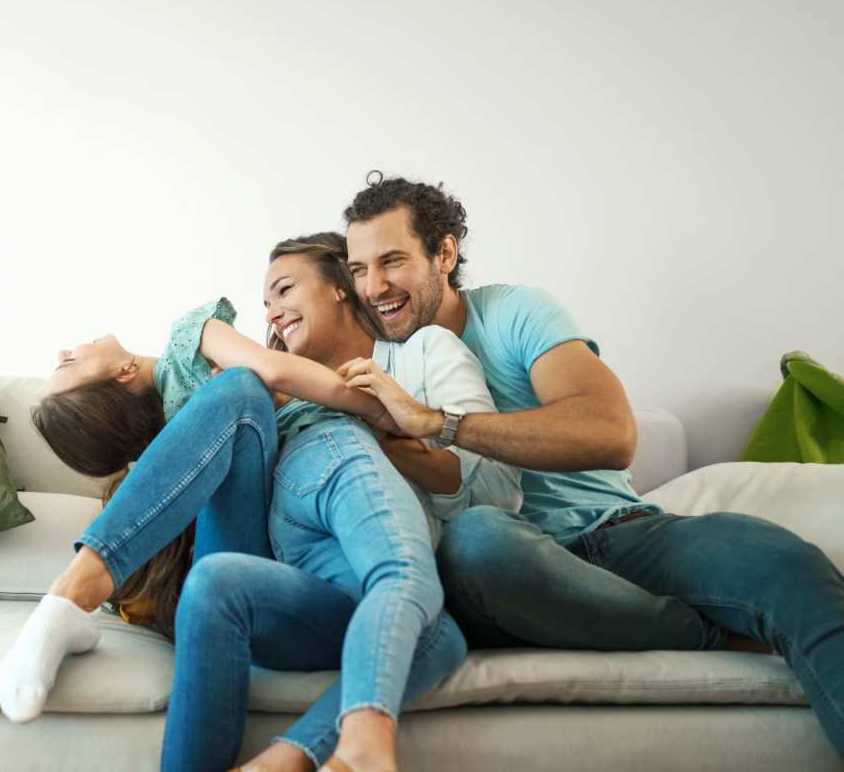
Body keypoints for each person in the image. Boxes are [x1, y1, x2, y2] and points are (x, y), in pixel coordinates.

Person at [337, 171, 844, 758]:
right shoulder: (371, 363)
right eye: (358, 270)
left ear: (444, 253)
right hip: (508, 570)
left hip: (624, 535)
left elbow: (610, 433)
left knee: (787, 562)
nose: (374, 286)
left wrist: (438, 422)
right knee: (478, 540)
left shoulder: (514, 314)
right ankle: (702, 632)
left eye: (392, 261)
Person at [0, 233, 519, 772]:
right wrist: (380, 409)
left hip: (277, 574)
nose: (63, 351)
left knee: (438, 631)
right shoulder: (199, 359)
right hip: (265, 537)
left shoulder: (198, 398)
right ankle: (74, 589)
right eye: (67, 367)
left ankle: (285, 761)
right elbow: (273, 371)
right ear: (123, 375)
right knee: (243, 387)